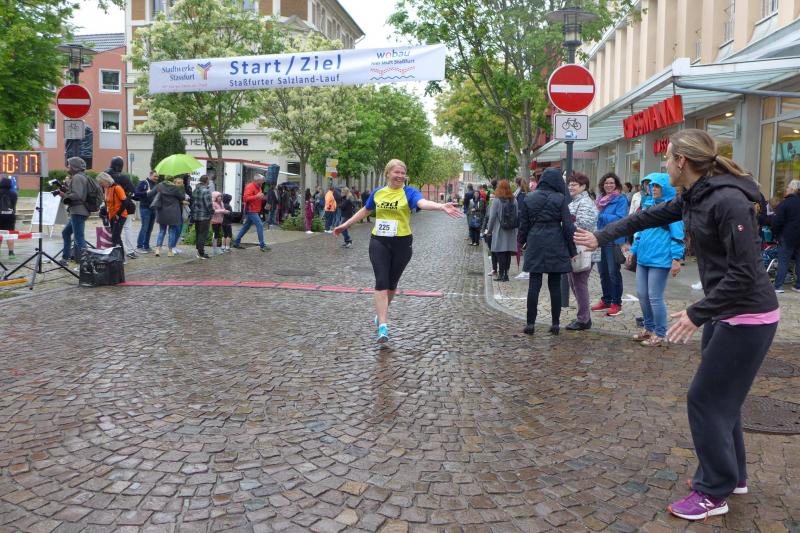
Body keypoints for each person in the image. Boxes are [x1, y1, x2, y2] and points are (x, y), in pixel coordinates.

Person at [575, 129, 779, 522]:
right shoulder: (694, 196)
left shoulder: (728, 201)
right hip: (725, 312)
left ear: (682, 162)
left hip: (748, 316)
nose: (664, 164)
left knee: (704, 399)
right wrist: (600, 237)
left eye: (667, 157)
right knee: (724, 401)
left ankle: (713, 491)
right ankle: (732, 477)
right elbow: (647, 216)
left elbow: (745, 273)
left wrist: (697, 312)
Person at [333, 159, 463, 343]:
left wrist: (441, 206)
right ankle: (383, 326)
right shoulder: (378, 193)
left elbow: (422, 203)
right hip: (379, 241)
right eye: (397, 172)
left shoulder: (409, 192)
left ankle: (381, 313)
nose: (400, 176)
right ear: (388, 173)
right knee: (381, 281)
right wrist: (345, 225)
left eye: (403, 173)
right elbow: (365, 210)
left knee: (392, 284)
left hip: (402, 243)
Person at [627, 173, 685, 346]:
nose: (653, 189)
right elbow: (640, 232)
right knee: (642, 295)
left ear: (666, 187)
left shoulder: (672, 209)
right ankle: (648, 328)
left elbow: (678, 236)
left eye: (658, 186)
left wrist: (676, 259)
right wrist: (633, 250)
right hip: (643, 258)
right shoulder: (647, 206)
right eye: (652, 186)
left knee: (654, 297)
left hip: (660, 260)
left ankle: (660, 334)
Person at [518, 168, 577, 336]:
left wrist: (521, 242)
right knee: (555, 286)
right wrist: (572, 249)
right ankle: (555, 324)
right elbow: (568, 226)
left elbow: (523, 225)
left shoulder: (529, 197)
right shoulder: (560, 199)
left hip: (535, 241)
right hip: (555, 242)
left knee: (534, 285)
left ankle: (530, 324)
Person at [591, 172, 629, 317]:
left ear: (616, 185)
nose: (609, 185)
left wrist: (600, 215)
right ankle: (606, 300)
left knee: (613, 273)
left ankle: (616, 303)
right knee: (603, 273)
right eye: (606, 183)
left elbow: (620, 218)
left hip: (613, 240)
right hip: (600, 239)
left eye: (612, 183)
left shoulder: (620, 199)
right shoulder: (600, 199)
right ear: (602, 185)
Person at [565, 172, 598, 331]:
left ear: (583, 186)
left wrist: (566, 225)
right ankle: (583, 316)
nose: (571, 187)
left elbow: (584, 224)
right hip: (577, 248)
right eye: (570, 184)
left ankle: (584, 319)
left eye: (575, 184)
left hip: (583, 248)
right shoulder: (577, 201)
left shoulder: (584, 202)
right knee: (574, 283)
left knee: (579, 283)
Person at [484, 180, 518, 282]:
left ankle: (501, 274)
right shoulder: (514, 200)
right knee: (507, 252)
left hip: (499, 229)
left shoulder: (496, 200)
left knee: (500, 252)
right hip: (511, 230)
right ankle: (506, 274)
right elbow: (517, 216)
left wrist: (489, 230)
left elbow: (492, 217)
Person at [771, 179, 800, 293]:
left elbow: (777, 222)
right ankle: (798, 285)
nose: (786, 189)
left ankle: (778, 286)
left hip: (787, 236)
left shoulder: (785, 203)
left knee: (783, 261)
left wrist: (775, 234)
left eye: (788, 187)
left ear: (792, 189)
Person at [59, 157, 90, 265]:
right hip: (79, 211)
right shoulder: (81, 176)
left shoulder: (77, 177)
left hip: (78, 211)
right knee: (66, 233)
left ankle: (87, 263)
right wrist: (67, 188)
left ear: (74, 166)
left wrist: (64, 195)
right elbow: (77, 193)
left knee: (79, 238)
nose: (67, 167)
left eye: (69, 165)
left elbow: (77, 195)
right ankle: (65, 258)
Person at [106, 156, 137, 259]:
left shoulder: (106, 175)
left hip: (111, 207)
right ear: (120, 166)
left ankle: (116, 251)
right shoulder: (123, 177)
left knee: (115, 232)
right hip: (124, 206)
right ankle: (129, 251)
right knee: (127, 228)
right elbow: (133, 192)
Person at [149, 176, 186, 257]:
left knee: (162, 231)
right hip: (173, 212)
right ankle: (170, 251)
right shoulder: (175, 188)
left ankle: (158, 250)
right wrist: (180, 187)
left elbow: (150, 194)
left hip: (162, 212)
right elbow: (182, 197)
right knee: (172, 231)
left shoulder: (160, 186)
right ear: (173, 180)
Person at [233, 174, 270, 251]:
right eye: (262, 180)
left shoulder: (259, 187)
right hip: (251, 210)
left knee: (246, 227)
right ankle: (262, 245)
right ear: (257, 180)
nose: (263, 182)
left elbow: (258, 197)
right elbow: (245, 199)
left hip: (255, 210)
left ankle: (236, 242)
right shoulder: (250, 186)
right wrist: (257, 196)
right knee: (260, 225)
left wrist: (263, 199)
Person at [97, 172, 127, 252]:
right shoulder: (107, 189)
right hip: (111, 216)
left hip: (120, 216)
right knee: (115, 237)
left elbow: (125, 202)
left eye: (101, 183)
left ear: (106, 180)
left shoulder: (117, 188)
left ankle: (120, 256)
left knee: (115, 237)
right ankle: (118, 255)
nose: (101, 185)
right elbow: (108, 203)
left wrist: (118, 214)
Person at [134, 170, 159, 254]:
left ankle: (146, 246)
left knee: (150, 229)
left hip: (153, 209)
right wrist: (145, 193)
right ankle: (139, 247)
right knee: (144, 228)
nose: (156, 178)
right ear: (150, 175)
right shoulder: (143, 183)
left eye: (157, 177)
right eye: (155, 176)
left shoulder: (156, 185)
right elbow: (136, 193)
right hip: (145, 208)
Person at [191, 175, 214, 259]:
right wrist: (212, 212)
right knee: (202, 234)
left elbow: (193, 202)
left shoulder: (195, 189)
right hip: (204, 216)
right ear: (206, 181)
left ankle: (198, 251)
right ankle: (201, 253)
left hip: (196, 215)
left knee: (198, 233)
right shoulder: (206, 191)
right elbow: (209, 205)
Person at [514, 177, 530, 279]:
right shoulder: (528, 193)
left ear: (517, 184)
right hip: (526, 222)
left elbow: (519, 210)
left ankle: (526, 270)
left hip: (522, 223)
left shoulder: (519, 194)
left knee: (522, 246)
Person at [0, 177, 18, 259]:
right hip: (10, 216)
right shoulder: (14, 194)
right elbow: (13, 205)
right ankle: (11, 253)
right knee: (10, 234)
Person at [210, 190, 229, 255]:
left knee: (217, 234)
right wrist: (223, 211)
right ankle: (214, 249)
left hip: (220, 221)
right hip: (214, 221)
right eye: (218, 196)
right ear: (215, 197)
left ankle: (216, 249)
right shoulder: (213, 203)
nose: (220, 197)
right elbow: (214, 211)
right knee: (215, 234)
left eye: (220, 196)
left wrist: (226, 211)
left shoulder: (221, 203)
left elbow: (222, 210)